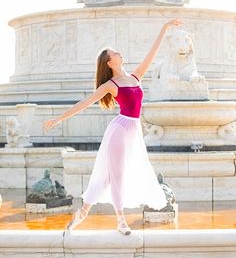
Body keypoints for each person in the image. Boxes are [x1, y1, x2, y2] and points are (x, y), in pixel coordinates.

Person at [43, 18, 184, 235]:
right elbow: (85, 103)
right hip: (120, 130)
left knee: (110, 177)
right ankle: (120, 222)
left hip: (133, 131)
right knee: (115, 176)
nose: (119, 53)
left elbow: (152, 54)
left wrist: (164, 28)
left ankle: (82, 212)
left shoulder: (135, 76)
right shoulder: (111, 85)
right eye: (114, 53)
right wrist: (59, 119)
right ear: (110, 63)